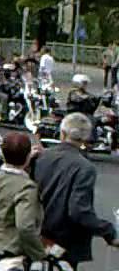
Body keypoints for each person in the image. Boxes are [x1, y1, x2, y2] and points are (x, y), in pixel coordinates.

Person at [33, 112, 119, 269]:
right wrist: (108, 231)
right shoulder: (85, 167)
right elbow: (78, 211)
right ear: (85, 139)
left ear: (62, 133)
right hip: (64, 242)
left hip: (36, 234)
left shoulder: (41, 157)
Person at [0, 132, 46, 268]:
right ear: (27, 157)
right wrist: (39, 253)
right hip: (15, 249)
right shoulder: (26, 187)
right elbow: (25, 226)